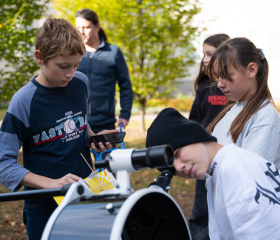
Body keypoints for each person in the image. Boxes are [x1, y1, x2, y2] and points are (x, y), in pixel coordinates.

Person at [0, 18, 117, 240]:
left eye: (76, 65)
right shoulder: (24, 101)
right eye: (63, 66)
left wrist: (94, 138)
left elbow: (82, 125)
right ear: (39, 58)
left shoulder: (81, 83)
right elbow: (3, 163)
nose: (70, 73)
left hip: (86, 190)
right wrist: (51, 184)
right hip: (44, 203)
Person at [146, 107, 280, 239]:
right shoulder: (221, 170)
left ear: (191, 136)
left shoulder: (236, 174)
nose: (179, 167)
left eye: (177, 154)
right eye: (172, 169)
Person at [206, 37, 280, 169]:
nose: (219, 84)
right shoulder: (233, 109)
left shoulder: (265, 117)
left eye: (226, 76)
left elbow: (249, 173)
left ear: (251, 70)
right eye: (218, 77)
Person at [188, 33, 230, 240]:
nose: (204, 60)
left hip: (227, 158)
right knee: (201, 210)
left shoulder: (233, 89)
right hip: (204, 157)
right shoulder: (204, 87)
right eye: (203, 54)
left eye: (209, 54)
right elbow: (194, 120)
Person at [75, 8, 133, 134]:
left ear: (97, 27)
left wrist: (125, 114)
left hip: (105, 124)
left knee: (108, 155)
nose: (81, 32)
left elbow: (126, 86)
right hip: (75, 124)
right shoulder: (72, 53)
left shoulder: (113, 52)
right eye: (78, 27)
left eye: (86, 27)